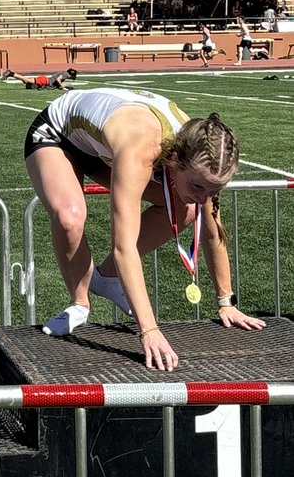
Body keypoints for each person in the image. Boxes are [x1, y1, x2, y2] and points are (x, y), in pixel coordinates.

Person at [24, 86, 265, 371]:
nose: (204, 196)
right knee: (70, 216)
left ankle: (108, 278)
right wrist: (149, 330)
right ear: (174, 161)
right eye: (198, 186)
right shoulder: (141, 151)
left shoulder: (202, 160)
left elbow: (213, 231)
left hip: (102, 143)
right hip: (58, 136)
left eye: (214, 189)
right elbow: (123, 246)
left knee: (186, 209)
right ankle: (79, 301)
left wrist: (227, 302)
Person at [4, 67, 78, 91]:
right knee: (26, 80)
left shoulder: (64, 73)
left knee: (27, 83)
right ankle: (11, 73)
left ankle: (31, 86)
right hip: (45, 81)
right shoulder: (65, 74)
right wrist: (61, 86)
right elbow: (58, 79)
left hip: (45, 82)